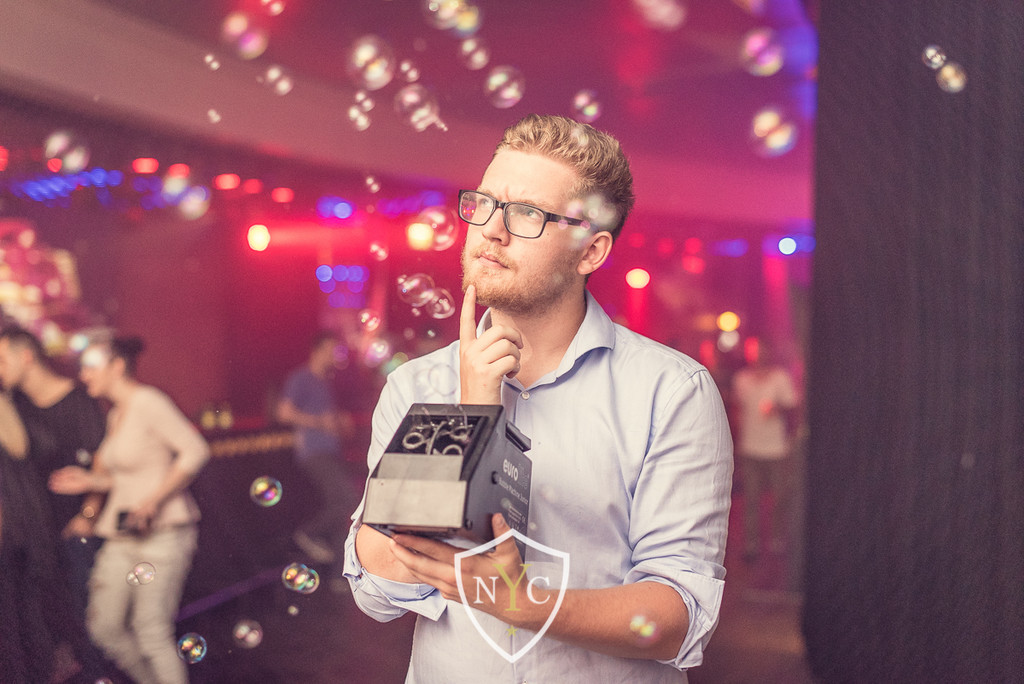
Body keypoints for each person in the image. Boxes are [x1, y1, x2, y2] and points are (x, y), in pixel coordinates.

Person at [344, 114, 733, 682]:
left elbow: (678, 616)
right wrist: (472, 416)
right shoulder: (418, 385)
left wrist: (523, 603)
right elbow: (378, 585)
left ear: (590, 252)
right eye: (484, 204)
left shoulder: (672, 392)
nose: (491, 230)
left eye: (527, 213)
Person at [49, 336, 210, 684]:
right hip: (123, 534)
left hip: (163, 535)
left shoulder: (149, 401)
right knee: (104, 628)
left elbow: (195, 450)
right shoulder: (115, 413)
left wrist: (154, 500)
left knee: (150, 630)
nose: (83, 375)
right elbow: (128, 477)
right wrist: (90, 480)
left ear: (117, 366)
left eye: (90, 367)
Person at [0, 324, 108, 680]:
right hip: (41, 535)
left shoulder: (77, 400)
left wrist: (88, 514)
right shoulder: (17, 406)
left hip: (77, 529)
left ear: (26, 356)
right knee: (58, 624)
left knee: (90, 621)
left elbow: (101, 460)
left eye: (2, 360)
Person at [277, 330, 356, 584]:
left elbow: (330, 421)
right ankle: (307, 533)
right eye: (331, 350)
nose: (335, 356)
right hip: (313, 453)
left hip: (330, 453)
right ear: (317, 350)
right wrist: (320, 422)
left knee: (340, 509)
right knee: (348, 499)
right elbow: (284, 413)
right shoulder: (301, 378)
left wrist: (341, 423)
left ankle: (339, 577)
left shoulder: (326, 382)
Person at [730, 339, 800, 562]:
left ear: (768, 352)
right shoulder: (741, 379)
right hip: (750, 447)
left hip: (776, 448)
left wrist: (778, 410)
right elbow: (737, 409)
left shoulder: (780, 377)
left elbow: (792, 407)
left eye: (759, 350)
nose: (756, 355)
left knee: (779, 497)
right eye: (751, 351)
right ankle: (751, 544)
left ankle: (777, 539)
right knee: (751, 498)